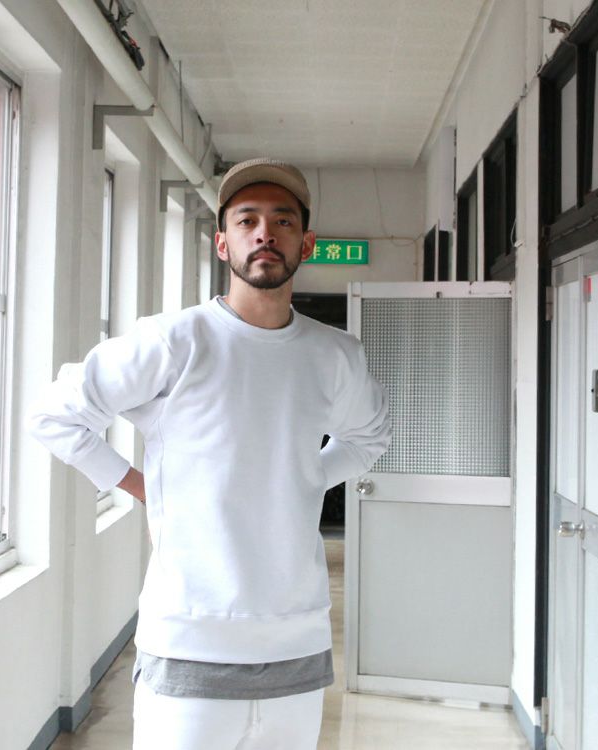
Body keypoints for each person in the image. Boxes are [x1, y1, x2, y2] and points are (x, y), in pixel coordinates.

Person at [28, 158, 391, 749]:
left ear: (307, 243)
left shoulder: (334, 355)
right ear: (223, 243)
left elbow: (369, 437)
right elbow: (55, 414)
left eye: (283, 221)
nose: (265, 233)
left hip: (295, 640)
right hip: (188, 641)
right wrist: (138, 484)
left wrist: (303, 480)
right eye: (247, 220)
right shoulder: (174, 340)